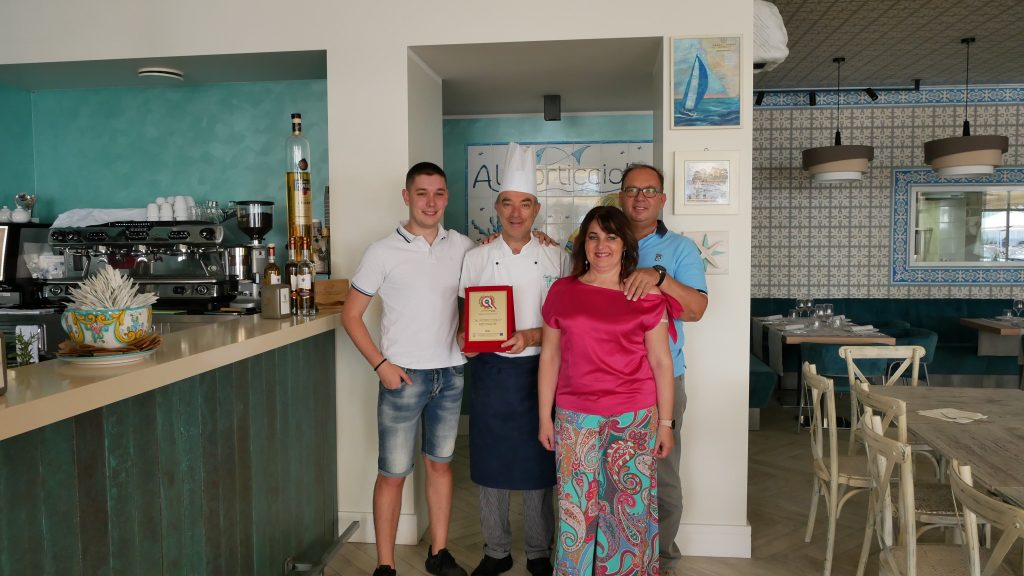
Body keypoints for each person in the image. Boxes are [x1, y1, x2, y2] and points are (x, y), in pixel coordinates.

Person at [341, 162, 473, 576]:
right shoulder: (382, 251)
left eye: (438, 193)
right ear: (406, 197)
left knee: (440, 465)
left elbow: (484, 294)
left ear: (447, 197)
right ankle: (385, 565)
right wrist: (381, 365)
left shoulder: (464, 247)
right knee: (393, 473)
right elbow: (351, 315)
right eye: (422, 193)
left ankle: (438, 553)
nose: (430, 202)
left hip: (450, 375)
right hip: (402, 379)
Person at [538, 205, 677, 576]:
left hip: (633, 417)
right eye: (594, 236)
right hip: (574, 416)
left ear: (625, 245)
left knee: (627, 514)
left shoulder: (646, 295)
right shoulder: (561, 291)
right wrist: (544, 418)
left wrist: (666, 424)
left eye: (611, 237)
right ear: (583, 243)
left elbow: (662, 362)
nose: (602, 245)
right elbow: (550, 357)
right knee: (575, 511)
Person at [459, 143, 570, 576]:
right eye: (508, 203)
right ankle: (496, 550)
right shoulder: (476, 257)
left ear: (537, 209)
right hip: (491, 374)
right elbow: (463, 321)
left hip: (543, 372)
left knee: (542, 463)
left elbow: (567, 327)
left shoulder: (559, 258)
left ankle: (540, 552)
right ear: (497, 207)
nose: (516, 212)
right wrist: (466, 340)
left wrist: (528, 336)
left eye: (525, 204)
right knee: (491, 465)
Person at [618, 163, 709, 575]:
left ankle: (663, 560)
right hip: (608, 380)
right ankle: (616, 554)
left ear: (662, 199)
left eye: (649, 190)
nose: (640, 197)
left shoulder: (681, 249)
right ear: (620, 196)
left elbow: (696, 310)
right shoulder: (601, 244)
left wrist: (659, 277)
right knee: (610, 472)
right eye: (632, 190)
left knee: (662, 476)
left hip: (662, 380)